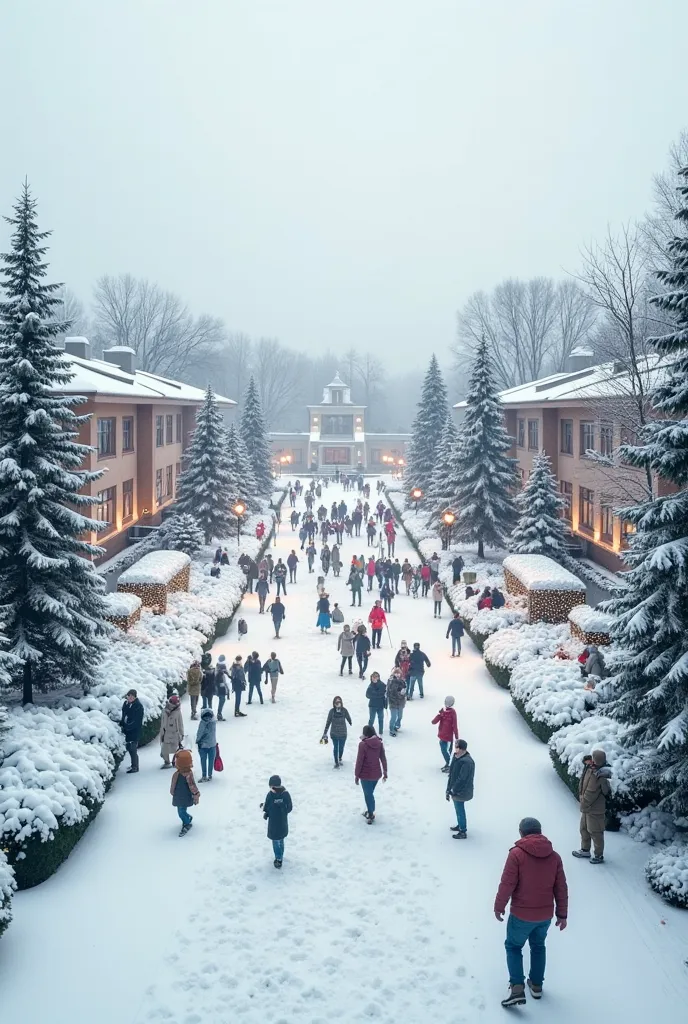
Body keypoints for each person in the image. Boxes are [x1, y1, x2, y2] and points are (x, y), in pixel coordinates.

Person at [494, 817, 568, 1007]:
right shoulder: (555, 857)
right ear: (540, 832)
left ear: (521, 833)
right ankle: (536, 985)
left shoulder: (516, 855)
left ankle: (517, 988)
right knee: (538, 946)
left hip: (521, 914)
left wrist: (499, 906)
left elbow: (507, 884)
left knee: (513, 946)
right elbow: (561, 888)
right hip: (545, 916)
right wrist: (562, 914)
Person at [572, 749, 612, 864]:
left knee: (595, 832)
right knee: (584, 829)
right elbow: (584, 782)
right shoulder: (591, 768)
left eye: (593, 758)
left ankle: (599, 855)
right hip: (587, 806)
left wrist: (583, 804)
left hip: (595, 809)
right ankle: (585, 850)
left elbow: (591, 792)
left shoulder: (600, 775)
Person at [355, 725, 388, 823]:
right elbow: (383, 758)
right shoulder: (379, 743)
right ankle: (370, 811)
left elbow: (359, 761)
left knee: (368, 795)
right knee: (370, 794)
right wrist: (385, 772)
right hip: (376, 775)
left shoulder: (362, 745)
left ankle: (370, 813)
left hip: (365, 775)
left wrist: (356, 775)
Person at [261, 775, 293, 869]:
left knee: (280, 839)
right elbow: (267, 805)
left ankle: (279, 858)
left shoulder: (285, 794)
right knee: (276, 840)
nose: (272, 789)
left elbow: (290, 807)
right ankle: (279, 857)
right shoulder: (270, 795)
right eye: (271, 787)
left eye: (274, 787)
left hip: (282, 822)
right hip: (273, 823)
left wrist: (283, 811)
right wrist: (266, 813)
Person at [445, 738, 475, 836]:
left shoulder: (467, 762)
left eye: (457, 747)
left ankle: (463, 830)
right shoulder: (457, 756)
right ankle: (460, 825)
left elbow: (462, 779)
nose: (455, 749)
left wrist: (453, 790)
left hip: (462, 791)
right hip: (456, 790)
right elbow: (452, 774)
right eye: (455, 747)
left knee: (460, 810)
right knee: (458, 809)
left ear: (462, 749)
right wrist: (448, 789)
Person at [170, 748, 200, 836]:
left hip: (185, 796)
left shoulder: (188, 775)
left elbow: (192, 786)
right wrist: (172, 791)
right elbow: (173, 783)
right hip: (178, 796)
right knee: (181, 811)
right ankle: (187, 818)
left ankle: (187, 822)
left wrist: (196, 794)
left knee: (181, 812)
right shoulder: (177, 774)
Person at [322, 696, 352, 768]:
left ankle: (339, 758)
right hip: (334, 733)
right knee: (336, 748)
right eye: (336, 702)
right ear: (334, 703)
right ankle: (336, 762)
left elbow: (348, 717)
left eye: (339, 702)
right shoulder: (331, 712)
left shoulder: (344, 710)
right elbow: (328, 722)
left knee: (341, 748)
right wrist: (325, 732)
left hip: (343, 733)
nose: (338, 704)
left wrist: (350, 721)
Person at [121, 688, 144, 773]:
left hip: (134, 731)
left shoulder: (138, 706)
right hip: (127, 730)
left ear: (135, 697)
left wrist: (128, 726)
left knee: (133, 749)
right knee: (130, 749)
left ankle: (135, 767)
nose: (130, 698)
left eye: (132, 696)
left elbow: (137, 721)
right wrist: (122, 723)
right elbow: (124, 715)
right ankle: (133, 765)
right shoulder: (126, 704)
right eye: (129, 696)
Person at [432, 696, 459, 770]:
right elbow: (434, 722)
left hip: (446, 737)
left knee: (446, 751)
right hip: (444, 736)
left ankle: (450, 765)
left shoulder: (450, 712)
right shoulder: (444, 711)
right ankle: (448, 764)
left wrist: (456, 736)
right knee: (446, 751)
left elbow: (434, 722)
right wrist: (456, 736)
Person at [159, 694, 184, 768]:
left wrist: (181, 733)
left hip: (175, 733)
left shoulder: (178, 711)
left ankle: (175, 761)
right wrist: (162, 732)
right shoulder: (164, 710)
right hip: (166, 732)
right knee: (164, 749)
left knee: (176, 748)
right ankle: (167, 762)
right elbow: (162, 722)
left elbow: (180, 723)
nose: (175, 704)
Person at [195, 707, 217, 782]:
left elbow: (200, 733)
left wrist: (197, 741)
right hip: (212, 744)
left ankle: (204, 776)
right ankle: (210, 775)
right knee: (211, 760)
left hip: (203, 745)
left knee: (203, 760)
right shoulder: (213, 722)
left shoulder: (202, 723)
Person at [387, 668, 406, 736]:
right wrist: (399, 693)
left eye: (398, 673)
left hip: (400, 702)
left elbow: (404, 690)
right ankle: (391, 729)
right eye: (396, 673)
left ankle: (396, 725)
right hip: (393, 702)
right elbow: (389, 692)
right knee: (393, 717)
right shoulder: (391, 681)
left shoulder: (402, 681)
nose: (397, 674)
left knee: (400, 716)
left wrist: (403, 693)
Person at [215, 654, 230, 720]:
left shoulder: (217, 667)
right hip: (221, 687)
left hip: (220, 687)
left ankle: (219, 714)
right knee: (222, 700)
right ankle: (219, 714)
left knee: (222, 700)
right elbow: (225, 678)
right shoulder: (221, 670)